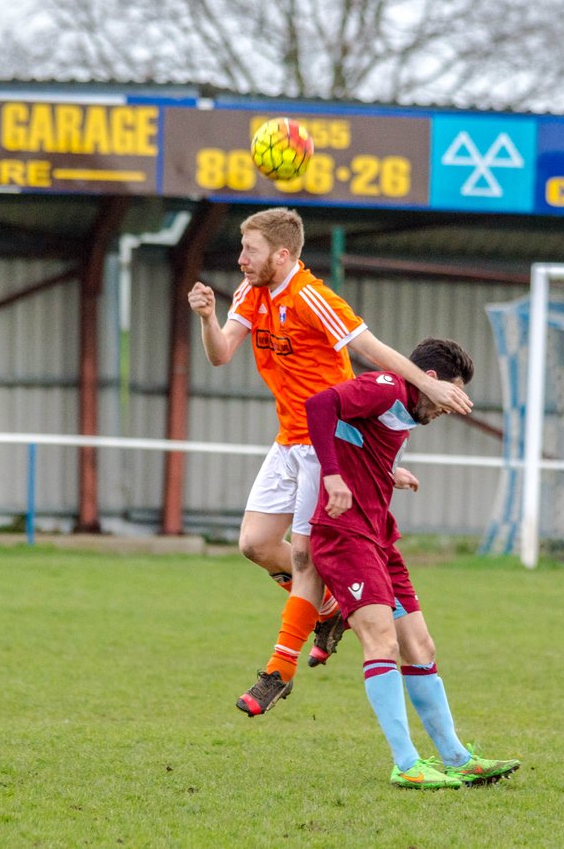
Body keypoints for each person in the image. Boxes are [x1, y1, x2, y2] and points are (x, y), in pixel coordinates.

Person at [188, 208, 472, 681]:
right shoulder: (249, 292)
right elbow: (220, 356)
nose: (241, 259)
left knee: (304, 558)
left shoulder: (313, 297)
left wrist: (429, 384)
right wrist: (207, 318)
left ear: (281, 254)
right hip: (287, 440)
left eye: (249, 250)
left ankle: (277, 673)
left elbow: (372, 349)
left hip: (326, 442)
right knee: (255, 544)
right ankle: (330, 609)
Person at [242, 337, 520, 789]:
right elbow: (319, 408)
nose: (450, 405)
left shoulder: (403, 411)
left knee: (421, 647)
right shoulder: (388, 387)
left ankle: (454, 757)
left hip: (379, 538)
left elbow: (354, 437)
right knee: (381, 642)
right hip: (345, 538)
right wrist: (331, 475)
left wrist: (391, 472)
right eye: (451, 392)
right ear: (428, 380)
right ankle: (407, 764)